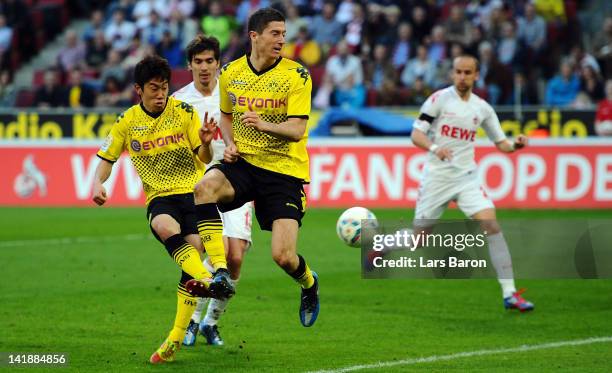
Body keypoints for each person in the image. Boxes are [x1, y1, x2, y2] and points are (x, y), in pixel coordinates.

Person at [91, 55, 235, 364]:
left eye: (165, 88)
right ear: (138, 90)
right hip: (161, 198)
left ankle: (175, 336)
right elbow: (106, 158)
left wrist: (207, 142)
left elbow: (204, 155)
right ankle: (212, 281)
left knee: (193, 256)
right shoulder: (127, 121)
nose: (160, 95)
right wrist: (96, 183)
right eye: (154, 89)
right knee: (163, 226)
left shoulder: (183, 112)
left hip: (193, 193)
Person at [369, 55, 534, 312]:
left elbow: (501, 143)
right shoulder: (438, 100)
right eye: (458, 72)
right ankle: (383, 246)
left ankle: (510, 293)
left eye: (467, 72)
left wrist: (516, 145)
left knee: (491, 225)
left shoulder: (483, 108)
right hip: (436, 178)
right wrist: (436, 148)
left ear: (476, 75)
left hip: (466, 178)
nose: (462, 77)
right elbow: (416, 134)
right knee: (418, 239)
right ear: (452, 73)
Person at [192, 7, 320, 328]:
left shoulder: (296, 76)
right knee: (204, 189)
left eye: (283, 34)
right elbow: (225, 114)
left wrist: (263, 124)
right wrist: (230, 142)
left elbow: (297, 130)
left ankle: (308, 283)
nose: (282, 39)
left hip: (283, 172)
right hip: (245, 163)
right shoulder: (232, 73)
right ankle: (220, 269)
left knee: (283, 257)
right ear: (255, 36)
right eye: (275, 33)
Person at [172, 35, 253, 347]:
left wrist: (237, 149)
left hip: (235, 180)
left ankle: (210, 322)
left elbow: (247, 130)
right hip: (200, 183)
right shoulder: (179, 102)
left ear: (219, 63)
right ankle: (190, 321)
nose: (204, 67)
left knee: (235, 257)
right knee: (204, 250)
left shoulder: (233, 91)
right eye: (198, 62)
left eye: (209, 61)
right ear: (190, 65)